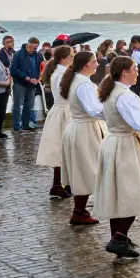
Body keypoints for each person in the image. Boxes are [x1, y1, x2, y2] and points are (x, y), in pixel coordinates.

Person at [93, 57, 140, 259]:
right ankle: (119, 237)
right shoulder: (125, 96)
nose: (137, 71)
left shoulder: (110, 90)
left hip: (113, 141)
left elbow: (101, 113)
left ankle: (118, 236)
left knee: (118, 191)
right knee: (133, 191)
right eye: (134, 69)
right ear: (124, 72)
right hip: (125, 145)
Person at [60, 51, 107, 226]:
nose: (97, 64)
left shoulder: (77, 80)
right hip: (84, 129)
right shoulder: (84, 84)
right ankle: (79, 211)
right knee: (86, 169)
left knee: (84, 169)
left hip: (80, 126)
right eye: (95, 61)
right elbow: (94, 109)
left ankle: (80, 210)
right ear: (86, 64)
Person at [35, 46, 74, 199]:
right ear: (64, 58)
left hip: (61, 109)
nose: (73, 58)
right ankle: (58, 184)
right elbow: (65, 92)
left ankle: (63, 183)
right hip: (63, 110)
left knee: (63, 148)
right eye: (71, 56)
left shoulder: (59, 71)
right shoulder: (62, 73)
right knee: (60, 149)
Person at [10, 37, 42, 132]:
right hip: (20, 83)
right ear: (28, 45)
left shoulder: (38, 56)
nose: (35, 50)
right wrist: (26, 77)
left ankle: (26, 124)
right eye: (34, 48)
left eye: (36, 48)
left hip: (32, 84)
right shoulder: (18, 54)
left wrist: (38, 78)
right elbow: (13, 70)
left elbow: (41, 68)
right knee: (18, 105)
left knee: (29, 105)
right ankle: (17, 126)